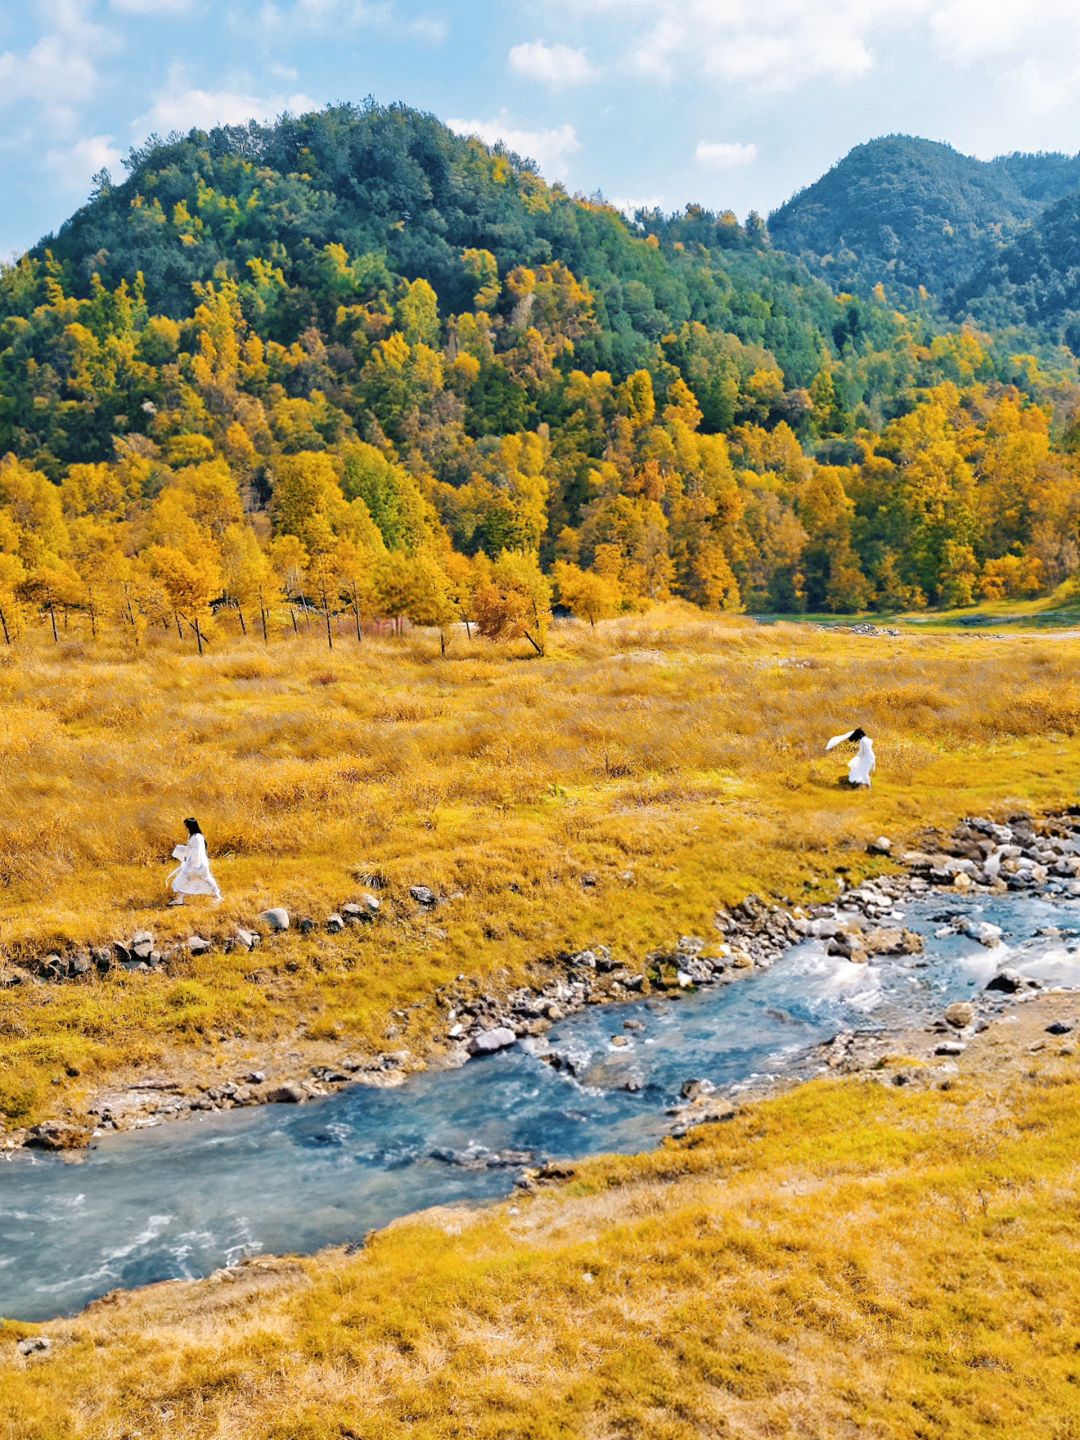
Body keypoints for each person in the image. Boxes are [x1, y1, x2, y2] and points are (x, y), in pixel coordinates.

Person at [167, 817, 222, 906]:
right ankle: (179, 899)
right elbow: (191, 849)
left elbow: (197, 851)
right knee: (183, 879)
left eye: (186, 826)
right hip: (193, 863)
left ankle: (217, 896)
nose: (185, 827)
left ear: (190, 826)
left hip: (197, 864)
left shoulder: (197, 837)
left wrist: (192, 862)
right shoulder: (192, 836)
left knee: (205, 879)